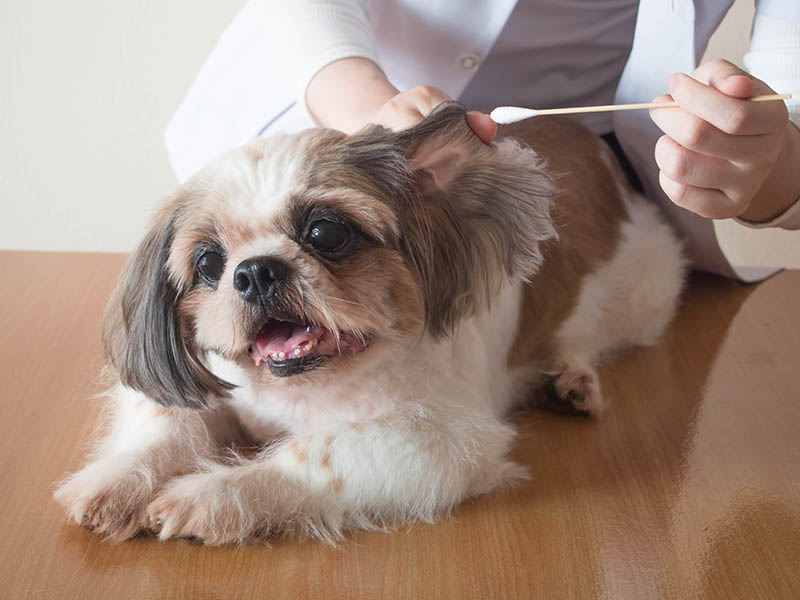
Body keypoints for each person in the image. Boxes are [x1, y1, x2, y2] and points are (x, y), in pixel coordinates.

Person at [164, 0, 800, 280]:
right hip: (311, 116)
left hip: (572, 198)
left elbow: (788, 111)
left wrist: (763, 167)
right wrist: (368, 115)